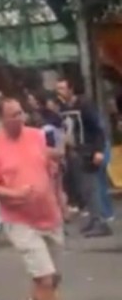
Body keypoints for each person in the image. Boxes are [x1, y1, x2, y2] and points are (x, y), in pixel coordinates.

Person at [0, 98, 64, 300]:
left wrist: (61, 197)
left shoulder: (36, 136)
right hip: (20, 220)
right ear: (1, 119)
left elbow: (50, 168)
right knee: (45, 278)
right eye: (14, 115)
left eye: (21, 113)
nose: (20, 118)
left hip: (49, 214)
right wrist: (15, 194)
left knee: (49, 278)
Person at [55, 78, 111, 237]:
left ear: (71, 89)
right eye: (58, 89)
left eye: (62, 88)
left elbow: (98, 129)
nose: (59, 92)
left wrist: (99, 150)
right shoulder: (64, 107)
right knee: (84, 189)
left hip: (88, 150)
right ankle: (94, 219)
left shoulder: (84, 105)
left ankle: (100, 222)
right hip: (75, 151)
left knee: (91, 187)